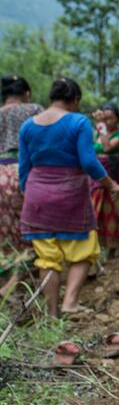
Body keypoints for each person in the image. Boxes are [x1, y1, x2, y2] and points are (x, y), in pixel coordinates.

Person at [19, 78, 119, 318]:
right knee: (84, 248)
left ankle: (53, 314)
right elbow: (88, 161)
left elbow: (24, 168)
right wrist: (110, 183)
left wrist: (31, 196)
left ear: (51, 97)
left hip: (37, 195)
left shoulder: (28, 126)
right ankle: (70, 303)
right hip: (70, 195)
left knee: (47, 258)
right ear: (75, 100)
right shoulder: (78, 122)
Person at [0, 75, 43, 296]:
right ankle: (23, 284)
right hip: (23, 171)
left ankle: (8, 282)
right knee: (31, 228)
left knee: (5, 232)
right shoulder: (33, 110)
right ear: (26, 93)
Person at [91, 102, 119, 259]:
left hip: (112, 176)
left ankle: (112, 255)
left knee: (112, 214)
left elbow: (107, 148)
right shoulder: (97, 134)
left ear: (117, 118)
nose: (107, 122)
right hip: (95, 178)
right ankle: (93, 255)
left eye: (110, 118)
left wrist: (100, 125)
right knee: (93, 215)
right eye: (104, 119)